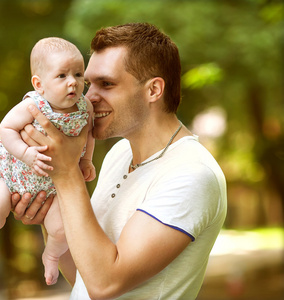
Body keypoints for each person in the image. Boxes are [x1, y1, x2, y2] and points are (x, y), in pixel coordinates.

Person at [11, 23, 227, 299]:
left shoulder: (192, 174)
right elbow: (85, 276)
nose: (87, 97)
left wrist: (65, 174)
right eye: (88, 83)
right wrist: (49, 211)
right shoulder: (119, 154)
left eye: (107, 84)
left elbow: (105, 284)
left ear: (153, 90)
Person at [0, 37, 95, 286]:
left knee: (62, 230)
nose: (73, 81)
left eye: (78, 73)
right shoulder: (32, 106)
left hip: (53, 182)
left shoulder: (86, 108)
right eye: (61, 76)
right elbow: (5, 128)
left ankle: (51, 256)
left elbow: (89, 134)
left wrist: (86, 160)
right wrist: (25, 153)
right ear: (39, 84)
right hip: (14, 174)